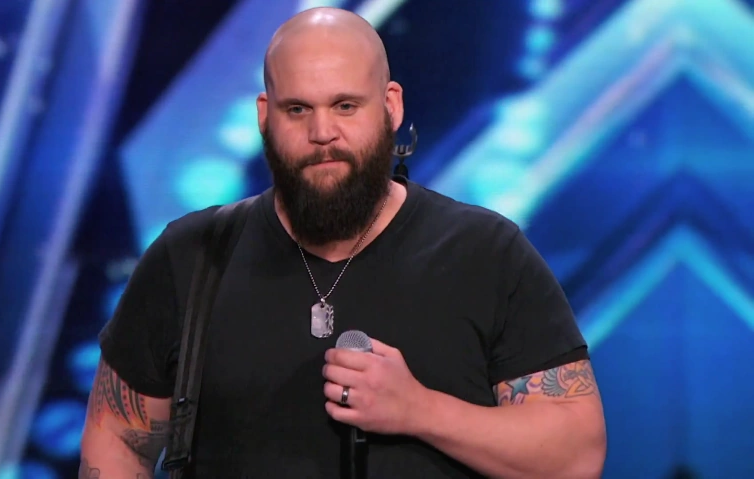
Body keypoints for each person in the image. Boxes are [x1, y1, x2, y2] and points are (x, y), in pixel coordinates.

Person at [79, 6, 607, 478]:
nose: (323, 132)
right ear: (265, 116)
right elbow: (117, 440)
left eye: (346, 106)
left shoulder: (485, 254)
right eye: (298, 109)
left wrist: (421, 410)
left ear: (391, 106)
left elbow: (575, 456)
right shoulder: (191, 257)